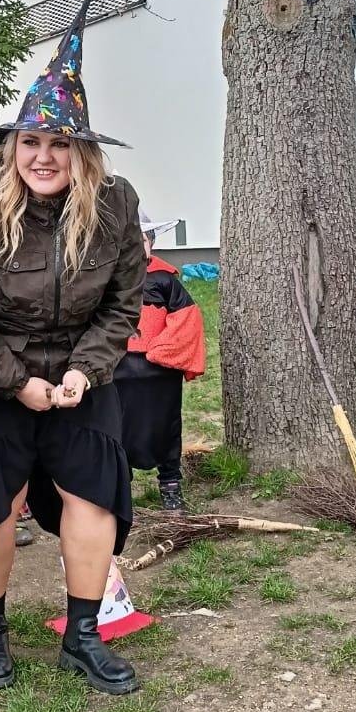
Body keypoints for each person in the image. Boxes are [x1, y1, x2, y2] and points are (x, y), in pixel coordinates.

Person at [0, 0, 145, 695]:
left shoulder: (115, 204)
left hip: (79, 377)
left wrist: (86, 370)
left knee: (94, 494)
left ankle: (82, 636)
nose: (43, 156)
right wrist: (15, 382)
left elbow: (122, 304)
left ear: (82, 151)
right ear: (11, 145)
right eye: (31, 142)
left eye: (59, 143)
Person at [114, 213, 207, 512]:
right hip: (117, 373)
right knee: (117, 429)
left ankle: (170, 484)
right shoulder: (107, 280)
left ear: (151, 243)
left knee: (165, 427)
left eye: (141, 239)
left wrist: (160, 350)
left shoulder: (166, 280)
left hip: (159, 375)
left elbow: (187, 319)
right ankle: (119, 489)